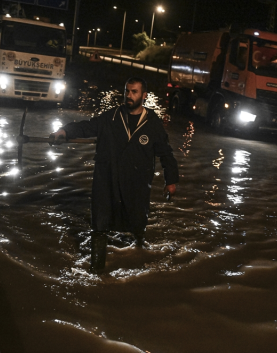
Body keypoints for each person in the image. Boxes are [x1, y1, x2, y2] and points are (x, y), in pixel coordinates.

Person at [49, 77, 179, 273]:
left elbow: (165, 153)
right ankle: (97, 272)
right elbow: (87, 127)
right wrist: (64, 131)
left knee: (136, 223)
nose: (129, 95)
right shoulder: (112, 117)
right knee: (100, 224)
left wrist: (171, 181)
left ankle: (137, 261)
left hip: (137, 184)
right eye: (127, 91)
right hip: (106, 180)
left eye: (134, 92)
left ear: (144, 96)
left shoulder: (152, 124)